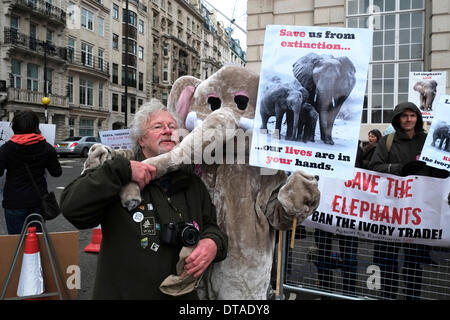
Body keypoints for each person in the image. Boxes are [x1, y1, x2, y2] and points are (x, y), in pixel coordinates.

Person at [60, 99, 228, 299]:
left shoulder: (191, 181)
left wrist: (212, 243)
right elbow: (73, 209)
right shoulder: (118, 175)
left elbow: (212, 226)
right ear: (141, 139)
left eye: (172, 127)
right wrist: (121, 171)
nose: (167, 131)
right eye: (158, 126)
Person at [368, 101, 449, 300]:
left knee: (414, 262)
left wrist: (439, 169)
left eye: (412, 115)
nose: (408, 119)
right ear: (397, 118)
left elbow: (440, 169)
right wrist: (400, 169)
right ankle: (388, 294)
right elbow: (374, 167)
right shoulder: (386, 141)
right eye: (404, 116)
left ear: (418, 118)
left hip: (418, 212)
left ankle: (413, 296)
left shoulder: (428, 141)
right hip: (390, 211)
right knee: (387, 260)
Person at [0, 110, 62, 234]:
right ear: (36, 127)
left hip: (14, 200)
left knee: (16, 241)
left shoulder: (6, 148)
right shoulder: (47, 148)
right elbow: (56, 172)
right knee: (35, 240)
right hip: (38, 200)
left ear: (14, 127)